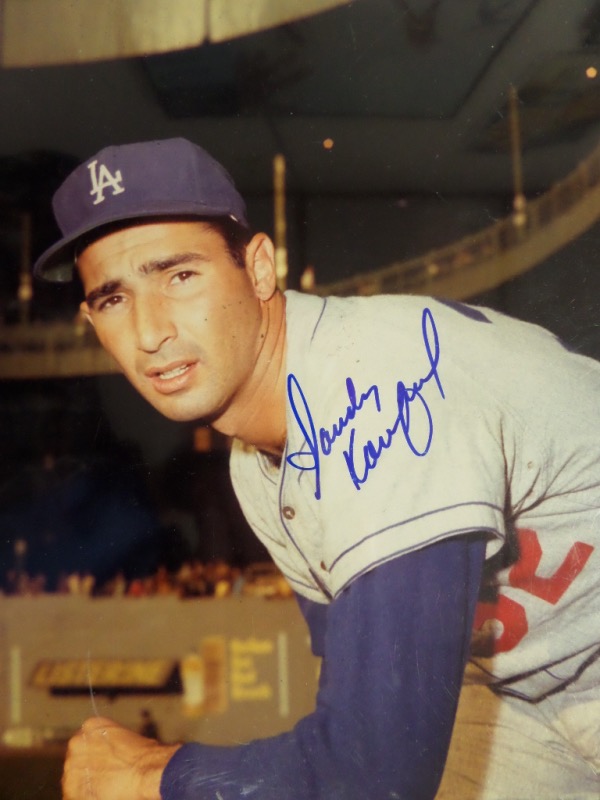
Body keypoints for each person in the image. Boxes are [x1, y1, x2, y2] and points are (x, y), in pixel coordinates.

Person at [33, 138, 600, 800]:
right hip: (513, 688)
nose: (149, 330)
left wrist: (149, 776)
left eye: (179, 275)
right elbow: (358, 697)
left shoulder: (375, 384)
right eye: (112, 298)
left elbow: (372, 773)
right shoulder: (257, 464)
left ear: (261, 268)